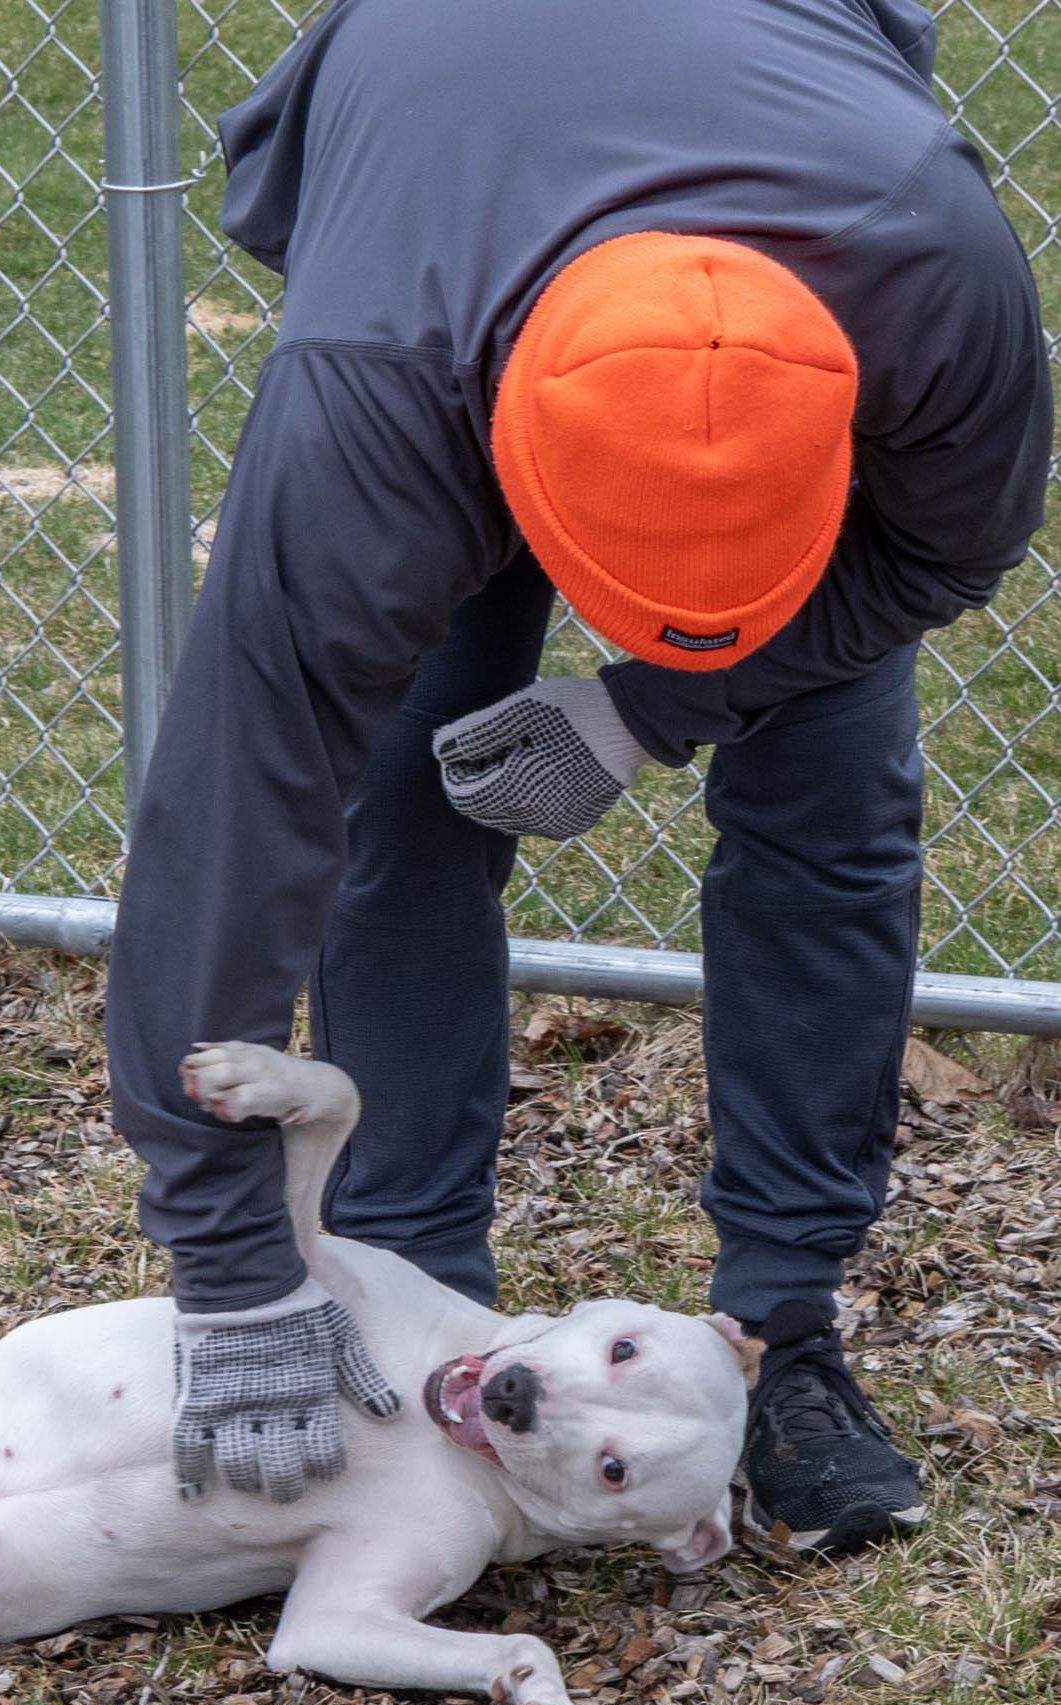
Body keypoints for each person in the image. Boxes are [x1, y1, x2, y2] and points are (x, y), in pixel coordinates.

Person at [105, 0, 1051, 1554]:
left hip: (785, 182)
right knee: (396, 797)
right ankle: (408, 1278)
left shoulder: (930, 286)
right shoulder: (375, 405)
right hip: (443, 202)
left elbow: (943, 548)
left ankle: (781, 1321)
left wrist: (651, 705)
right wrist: (230, 1275)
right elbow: (236, 812)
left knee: (827, 785)